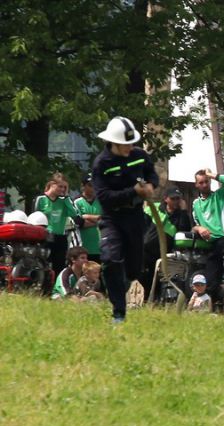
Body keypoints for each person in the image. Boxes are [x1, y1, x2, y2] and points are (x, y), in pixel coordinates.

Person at [90, 116, 158, 323]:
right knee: (110, 259)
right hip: (113, 218)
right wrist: (133, 191)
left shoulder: (139, 156)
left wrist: (151, 185)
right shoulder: (102, 164)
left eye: (131, 142)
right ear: (113, 142)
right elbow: (105, 197)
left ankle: (121, 284)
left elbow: (151, 174)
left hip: (135, 217)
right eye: (125, 144)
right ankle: (118, 312)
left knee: (134, 269)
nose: (130, 147)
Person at [192, 168, 224, 314]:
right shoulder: (196, 203)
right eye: (201, 182)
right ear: (196, 185)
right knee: (210, 280)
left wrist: (211, 174)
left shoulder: (219, 196)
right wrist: (200, 228)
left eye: (206, 181)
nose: (204, 185)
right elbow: (194, 225)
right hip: (212, 243)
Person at [35, 172, 84, 275]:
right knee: (43, 264)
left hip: (60, 237)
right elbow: (34, 218)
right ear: (52, 184)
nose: (62, 189)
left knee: (59, 266)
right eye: (60, 186)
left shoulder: (64, 201)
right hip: (45, 237)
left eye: (64, 187)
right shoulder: (41, 199)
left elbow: (74, 214)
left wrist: (66, 197)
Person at [73, 176, 102, 263]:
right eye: (90, 185)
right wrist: (97, 220)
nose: (93, 188)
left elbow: (106, 219)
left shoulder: (101, 201)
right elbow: (79, 223)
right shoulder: (76, 202)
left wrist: (86, 216)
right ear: (83, 186)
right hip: (83, 249)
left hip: (100, 247)